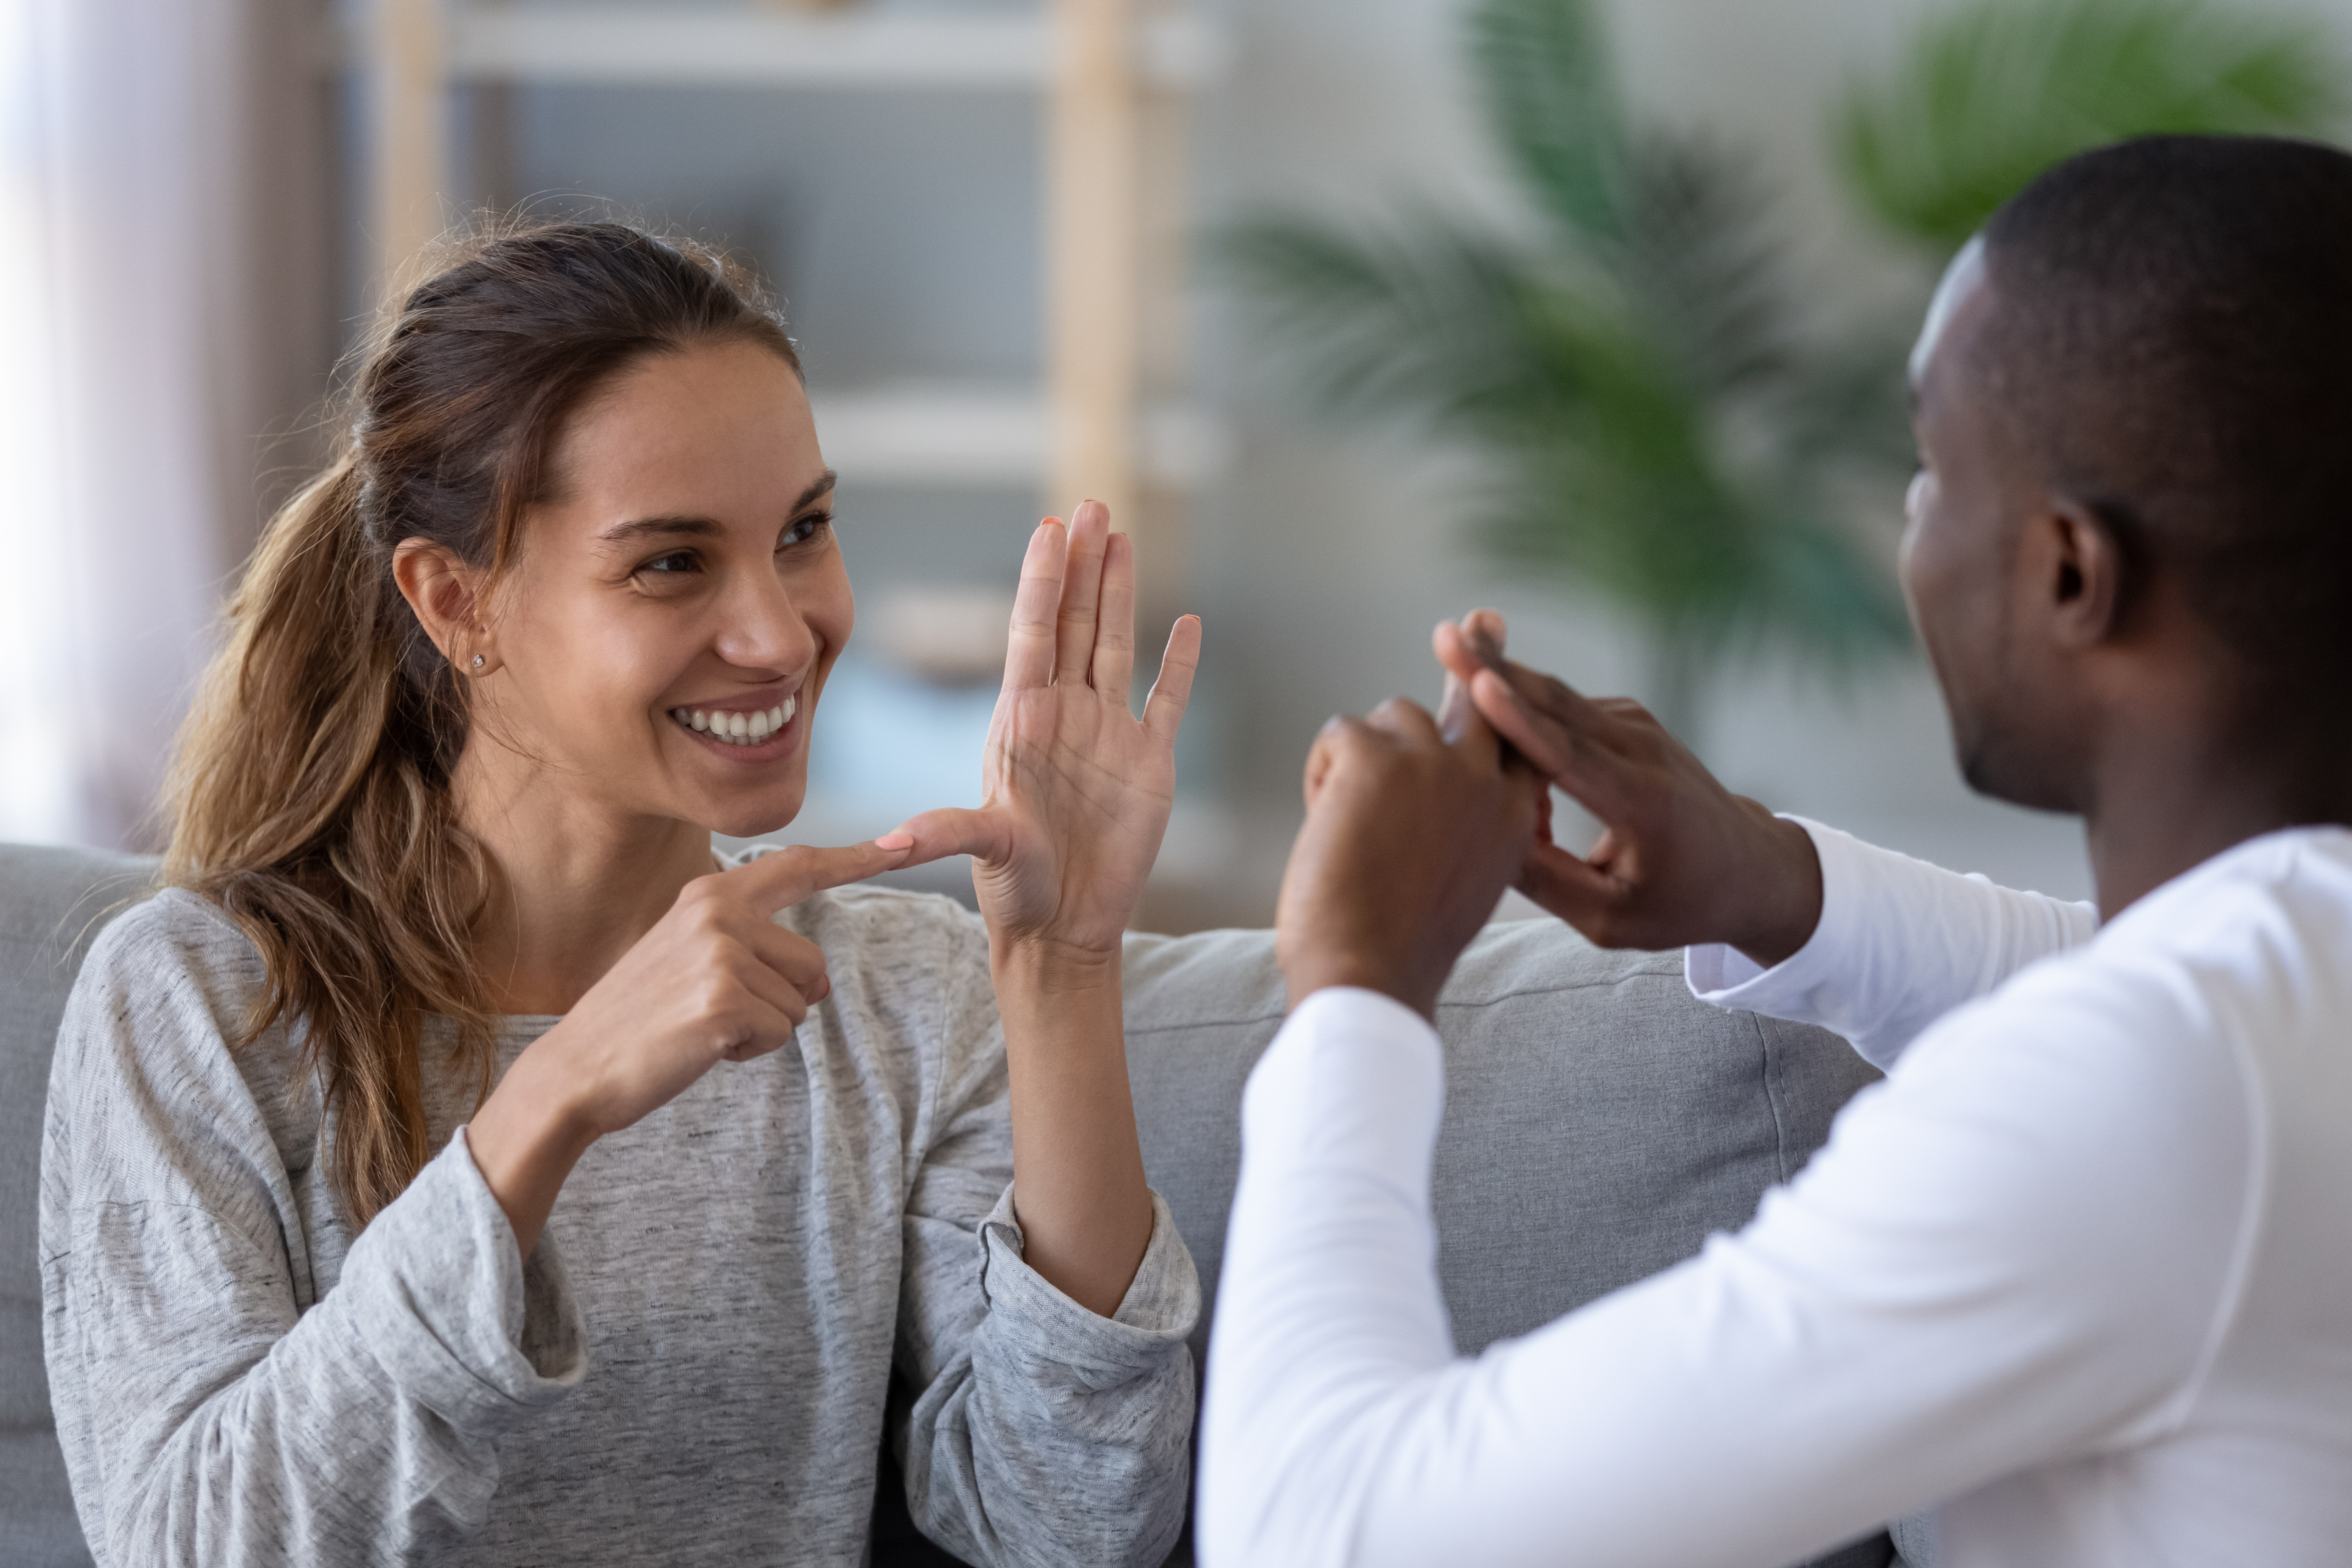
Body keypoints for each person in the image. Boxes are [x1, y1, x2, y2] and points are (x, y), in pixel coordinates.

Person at [1198, 133, 2352, 1568]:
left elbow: (1321, 1531)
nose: (1911, 527)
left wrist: (1359, 980)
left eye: (1934, 471)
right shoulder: (2285, 986)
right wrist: (1769, 882)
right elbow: (2133, 982)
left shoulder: (2155, 1089)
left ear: (2071, 572)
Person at [39, 220, 1205, 1568]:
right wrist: (553, 1099)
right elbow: (193, 1546)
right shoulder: (196, 1001)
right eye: (670, 561)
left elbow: (1074, 1527)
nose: (781, 633)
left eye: (805, 531)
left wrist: (1064, 971)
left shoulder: (900, 993)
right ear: (455, 601)